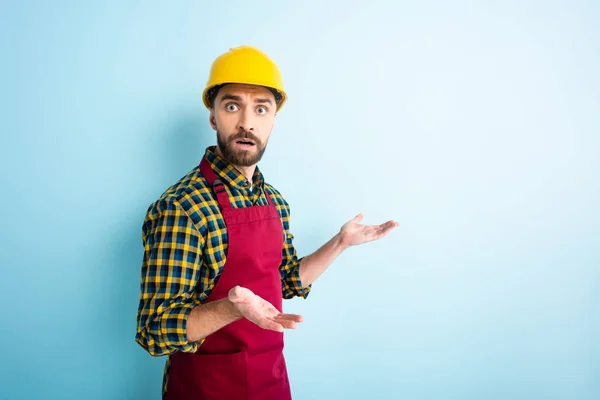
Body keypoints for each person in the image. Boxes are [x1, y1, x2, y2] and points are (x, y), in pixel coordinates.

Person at [135, 45, 399, 400]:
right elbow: (155, 330)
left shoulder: (274, 200)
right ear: (213, 117)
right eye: (232, 106)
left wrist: (340, 243)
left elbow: (286, 280)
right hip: (207, 388)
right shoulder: (182, 207)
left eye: (261, 108)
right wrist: (232, 308)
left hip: (270, 384)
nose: (247, 121)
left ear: (273, 119)